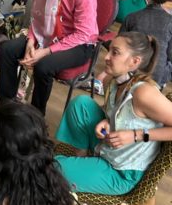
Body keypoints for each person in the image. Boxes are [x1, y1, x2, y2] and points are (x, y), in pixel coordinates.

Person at [55, 32, 172, 196]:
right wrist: (108, 120)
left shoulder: (144, 93)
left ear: (134, 62)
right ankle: (83, 159)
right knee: (81, 103)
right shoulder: (116, 81)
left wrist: (135, 135)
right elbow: (123, 113)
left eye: (115, 52)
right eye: (109, 50)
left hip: (121, 172)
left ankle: (81, 169)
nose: (106, 57)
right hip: (107, 148)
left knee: (49, 170)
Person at [0, 0, 98, 116]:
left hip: (79, 43)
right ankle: (5, 110)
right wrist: (30, 40)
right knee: (7, 49)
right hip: (46, 34)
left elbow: (83, 33)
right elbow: (37, 16)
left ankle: (35, 118)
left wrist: (45, 51)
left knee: (43, 66)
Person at [120, 0, 172, 87]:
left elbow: (119, 47)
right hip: (157, 79)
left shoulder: (131, 17)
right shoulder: (170, 22)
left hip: (129, 74)